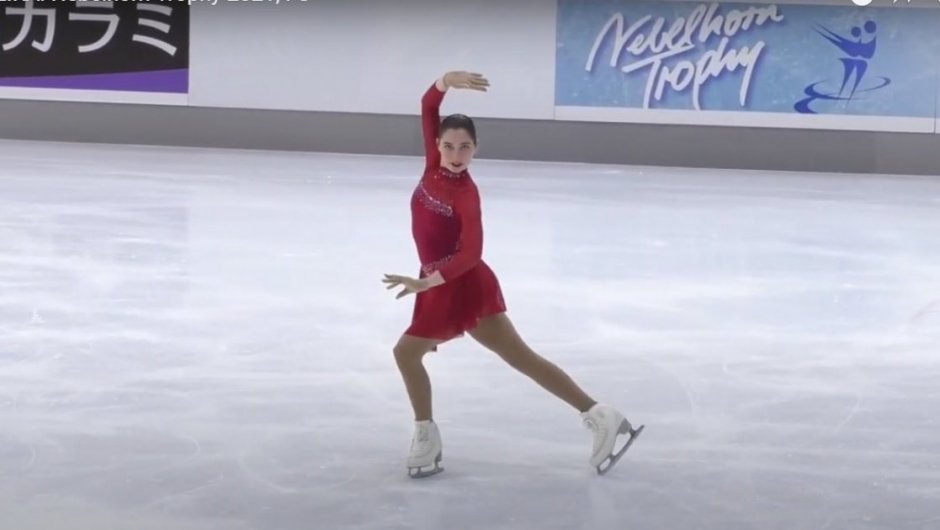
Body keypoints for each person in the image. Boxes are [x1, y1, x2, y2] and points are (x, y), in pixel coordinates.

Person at [382, 70, 643, 478]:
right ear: (436, 145)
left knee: (411, 353)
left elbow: (471, 254)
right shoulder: (433, 164)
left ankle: (426, 435)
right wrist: (444, 81)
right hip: (437, 281)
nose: (455, 153)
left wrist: (426, 283)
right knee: (517, 357)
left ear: (476, 149)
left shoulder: (466, 195)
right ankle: (600, 414)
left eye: (464, 147)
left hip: (459, 284)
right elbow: (429, 106)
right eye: (449, 145)